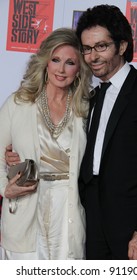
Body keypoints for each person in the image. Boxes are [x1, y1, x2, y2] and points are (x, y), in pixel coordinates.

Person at [75, 4, 137, 260]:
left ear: (121, 46)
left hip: (135, 231)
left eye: (101, 46)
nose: (92, 57)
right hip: (93, 225)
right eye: (86, 48)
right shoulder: (92, 96)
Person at [0, 27, 92, 260]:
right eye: (55, 60)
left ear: (79, 68)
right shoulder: (19, 102)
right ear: (45, 62)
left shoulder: (85, 108)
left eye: (70, 62)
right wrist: (4, 188)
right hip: (27, 208)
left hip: (68, 211)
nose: (61, 69)